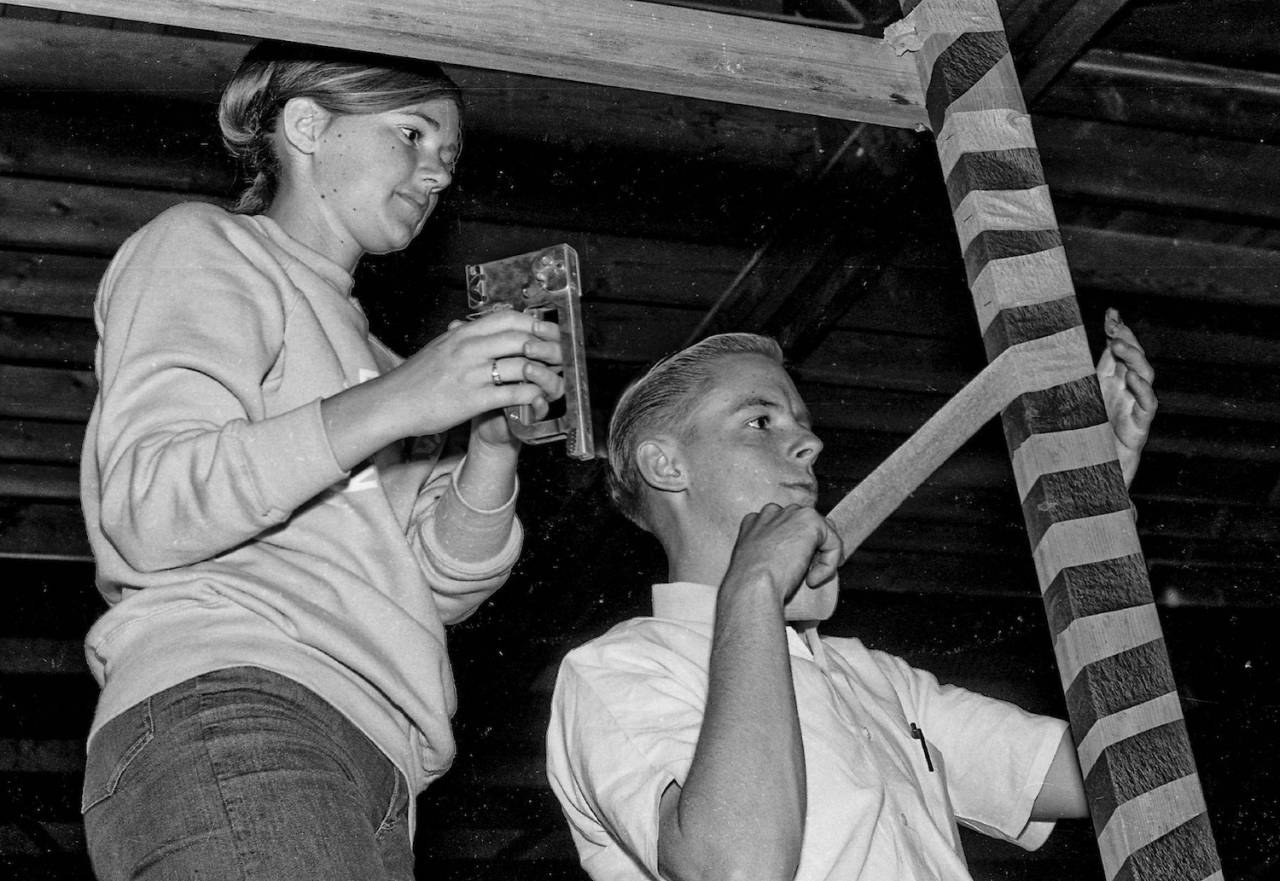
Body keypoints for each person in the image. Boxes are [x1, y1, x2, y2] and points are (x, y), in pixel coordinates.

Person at [78, 40, 564, 881]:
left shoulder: (378, 356)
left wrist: (492, 445)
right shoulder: (207, 246)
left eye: (449, 157)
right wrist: (406, 399)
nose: (438, 172)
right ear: (306, 126)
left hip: (377, 756)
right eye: (411, 135)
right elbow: (149, 502)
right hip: (238, 703)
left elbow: (436, 582)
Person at [546, 314, 1157, 881]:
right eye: (760, 422)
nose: (810, 445)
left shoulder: (871, 677)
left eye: (803, 425)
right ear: (666, 465)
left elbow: (1123, 769)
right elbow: (737, 870)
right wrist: (755, 584)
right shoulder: (618, 670)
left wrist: (1091, 504)